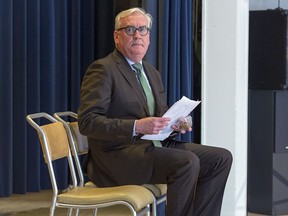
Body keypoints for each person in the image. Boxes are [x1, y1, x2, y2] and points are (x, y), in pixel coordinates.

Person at [78, 7, 232, 216]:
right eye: (130, 29)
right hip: (118, 156)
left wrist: (176, 124)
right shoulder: (103, 69)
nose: (137, 35)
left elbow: (160, 117)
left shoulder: (151, 72)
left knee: (220, 158)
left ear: (149, 37)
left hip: (152, 147)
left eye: (143, 30)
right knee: (186, 162)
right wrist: (136, 126)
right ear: (116, 36)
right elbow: (87, 121)